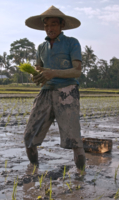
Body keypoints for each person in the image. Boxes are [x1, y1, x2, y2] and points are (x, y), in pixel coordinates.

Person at [24, 5, 85, 170]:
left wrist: (54, 73)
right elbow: (39, 69)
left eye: (53, 24)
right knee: (29, 136)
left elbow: (77, 71)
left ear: (61, 25)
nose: (49, 28)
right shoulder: (41, 47)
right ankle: (33, 169)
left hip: (67, 92)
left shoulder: (72, 43)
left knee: (74, 139)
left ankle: (81, 175)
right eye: (46, 25)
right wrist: (35, 76)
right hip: (45, 93)